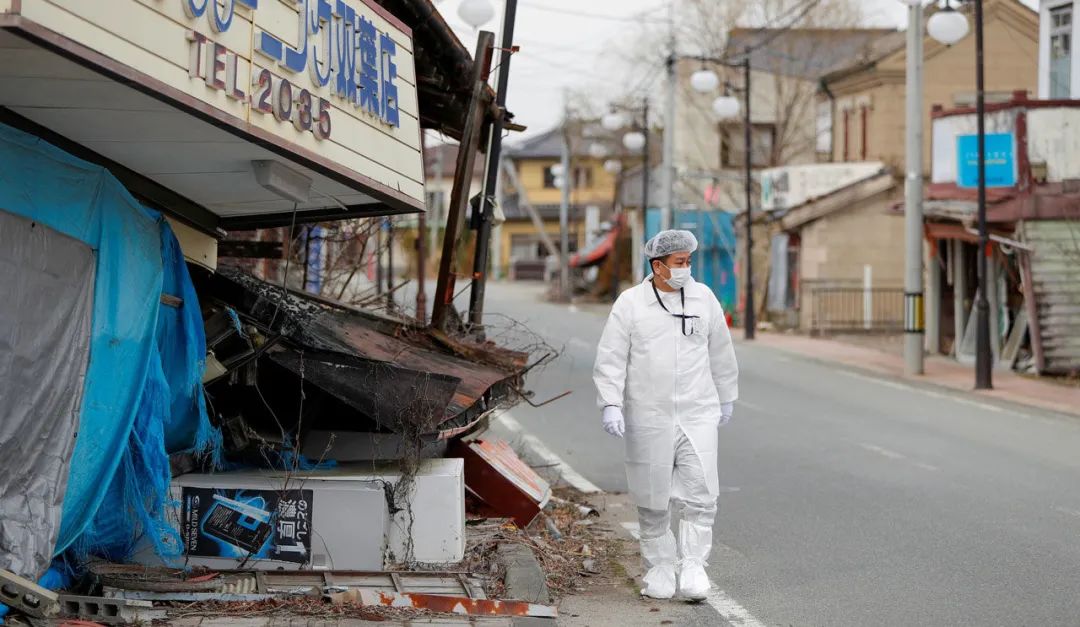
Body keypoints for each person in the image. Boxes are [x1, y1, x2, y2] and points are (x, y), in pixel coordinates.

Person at [592, 229, 739, 601]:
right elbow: (611, 356)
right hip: (649, 414)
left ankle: (693, 567)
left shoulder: (703, 298)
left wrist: (726, 396)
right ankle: (659, 568)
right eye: (679, 263)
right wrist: (611, 402)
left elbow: (721, 350)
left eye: (689, 262)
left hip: (697, 411)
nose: (686, 269)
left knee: (701, 493)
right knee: (652, 495)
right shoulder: (631, 303)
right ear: (658, 266)